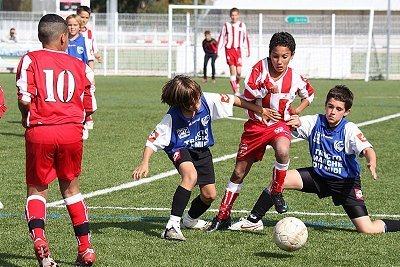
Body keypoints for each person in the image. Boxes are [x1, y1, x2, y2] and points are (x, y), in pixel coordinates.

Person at [228, 85, 400, 234]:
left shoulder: (349, 130)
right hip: (319, 176)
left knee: (366, 229)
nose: (333, 112)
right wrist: (288, 121)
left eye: (339, 109)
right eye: (330, 106)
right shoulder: (315, 121)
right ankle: (253, 221)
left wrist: (372, 161)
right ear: (325, 106)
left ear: (346, 112)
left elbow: (367, 149)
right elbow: (292, 124)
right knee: (280, 178)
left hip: (345, 184)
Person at [132, 75, 271, 241]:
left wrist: (260, 110)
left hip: (202, 150)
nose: (197, 104)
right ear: (181, 103)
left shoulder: (206, 99)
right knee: (190, 176)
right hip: (179, 148)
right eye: (192, 103)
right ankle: (171, 226)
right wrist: (144, 163)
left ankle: (189, 220)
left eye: (197, 99)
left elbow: (234, 99)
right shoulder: (172, 117)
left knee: (209, 195)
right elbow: (152, 141)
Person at [206, 32, 315, 232]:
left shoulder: (296, 78)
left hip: (279, 125)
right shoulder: (260, 68)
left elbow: (309, 94)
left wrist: (297, 111)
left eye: (285, 56)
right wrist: (266, 86)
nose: (279, 61)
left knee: (283, 150)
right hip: (255, 126)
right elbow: (248, 92)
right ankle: (223, 216)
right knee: (239, 172)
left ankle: (277, 191)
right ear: (269, 54)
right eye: (275, 56)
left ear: (292, 55)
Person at [16, 14, 97, 266]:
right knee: (72, 190)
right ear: (64, 37)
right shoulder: (81, 66)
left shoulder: (30, 59)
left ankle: (40, 239)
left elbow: (24, 99)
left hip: (41, 130)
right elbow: (90, 106)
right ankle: (85, 248)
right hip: (71, 132)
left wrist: (24, 118)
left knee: (37, 189)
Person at [66, 14, 95, 140]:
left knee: (84, 104)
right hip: (67, 78)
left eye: (75, 25)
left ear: (80, 26)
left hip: (81, 77)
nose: (72, 27)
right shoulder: (63, 40)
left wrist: (92, 77)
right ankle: (69, 126)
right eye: (69, 25)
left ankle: (83, 124)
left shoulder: (85, 41)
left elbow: (90, 60)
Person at [217, 7, 250, 96]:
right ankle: (236, 91)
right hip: (229, 50)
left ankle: (236, 83)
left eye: (235, 15)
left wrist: (247, 50)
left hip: (238, 50)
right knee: (232, 70)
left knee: (239, 72)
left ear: (238, 15)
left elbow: (245, 37)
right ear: (230, 16)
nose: (234, 17)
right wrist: (218, 50)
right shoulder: (226, 25)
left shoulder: (242, 25)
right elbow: (221, 37)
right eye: (232, 15)